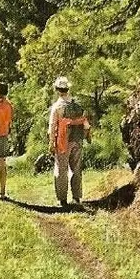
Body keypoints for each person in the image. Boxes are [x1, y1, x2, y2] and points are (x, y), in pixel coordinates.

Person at [48, 76, 91, 209]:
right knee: (76, 169)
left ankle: (62, 200)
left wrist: (51, 143)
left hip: (63, 141)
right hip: (77, 140)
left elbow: (52, 126)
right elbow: (86, 124)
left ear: (57, 90)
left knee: (61, 169)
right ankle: (76, 198)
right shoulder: (78, 106)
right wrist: (86, 136)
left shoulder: (57, 107)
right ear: (68, 89)